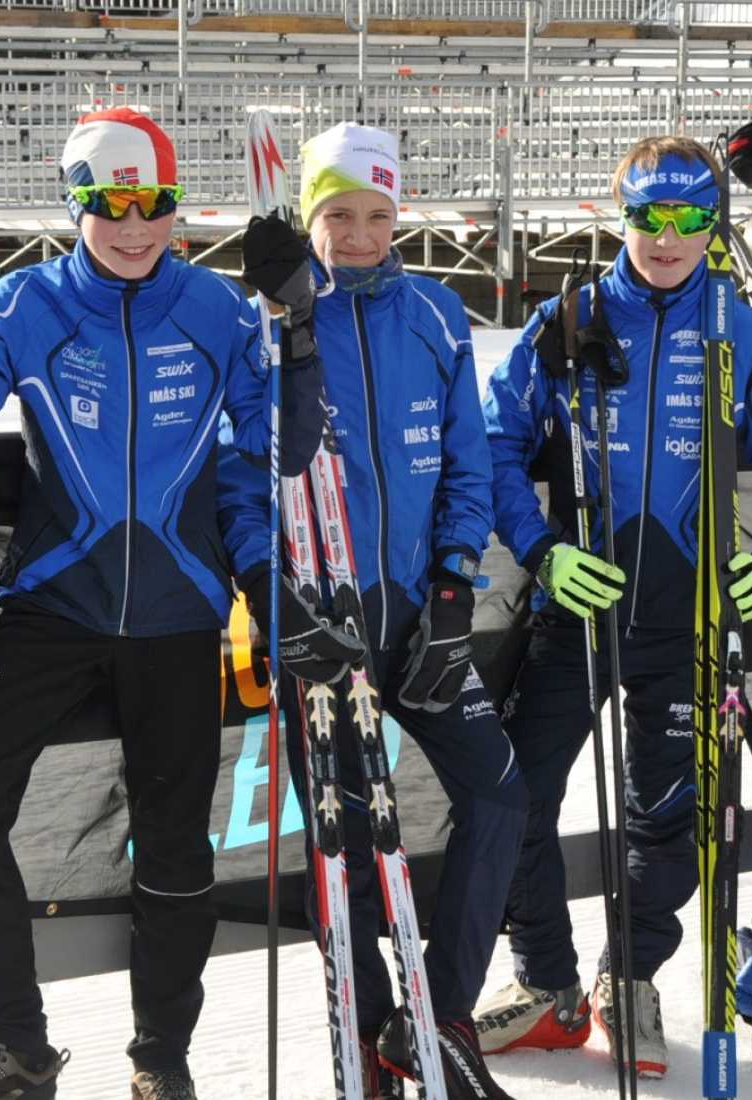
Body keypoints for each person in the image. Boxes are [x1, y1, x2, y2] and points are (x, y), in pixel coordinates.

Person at [0, 107, 324, 1100]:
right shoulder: (33, 300)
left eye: (154, 202)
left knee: (174, 848)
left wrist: (296, 321)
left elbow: (283, 443)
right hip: (50, 607)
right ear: (75, 203)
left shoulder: (213, 309)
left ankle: (162, 1054)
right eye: (111, 205)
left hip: (179, 613)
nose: (134, 225)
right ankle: (16, 1041)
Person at [474, 135, 752, 1078]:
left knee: (668, 812)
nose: (667, 237)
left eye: (689, 218)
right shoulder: (567, 320)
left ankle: (628, 979)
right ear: (620, 215)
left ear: (714, 222)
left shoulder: (741, 330)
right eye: (648, 216)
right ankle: (547, 987)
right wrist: (542, 550)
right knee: (512, 793)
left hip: (686, 617)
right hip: (577, 607)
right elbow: (494, 445)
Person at [218, 122, 529, 1100]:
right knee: (344, 842)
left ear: (400, 215)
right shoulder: (264, 320)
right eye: (338, 215)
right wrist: (274, 597)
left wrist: (454, 589)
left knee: (500, 795)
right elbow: (241, 479)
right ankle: (366, 1031)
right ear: (310, 216)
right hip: (323, 615)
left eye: (377, 215)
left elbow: (468, 462)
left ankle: (436, 1020)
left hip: (417, 615)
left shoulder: (435, 313)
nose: (358, 235)